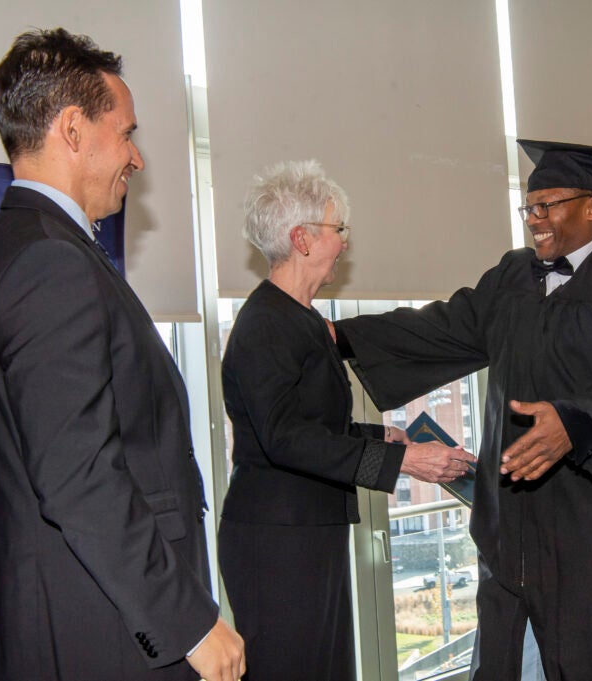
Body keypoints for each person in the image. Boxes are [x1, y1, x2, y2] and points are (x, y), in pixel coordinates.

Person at [333, 139, 592, 680]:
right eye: (530, 207)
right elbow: (442, 326)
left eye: (549, 205)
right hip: (512, 525)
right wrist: (341, 336)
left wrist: (575, 422)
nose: (535, 220)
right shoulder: (512, 277)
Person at [0, 28, 245, 681]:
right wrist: (188, 621)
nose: (135, 158)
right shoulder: (49, 262)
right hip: (99, 632)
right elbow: (78, 474)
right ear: (72, 129)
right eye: (127, 131)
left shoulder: (12, 246)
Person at [216, 160, 475, 681]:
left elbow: (307, 424)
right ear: (302, 239)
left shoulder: (301, 319)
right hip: (279, 542)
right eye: (339, 230)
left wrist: (381, 435)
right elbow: (284, 438)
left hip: (307, 531)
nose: (345, 244)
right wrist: (403, 460)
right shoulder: (268, 322)